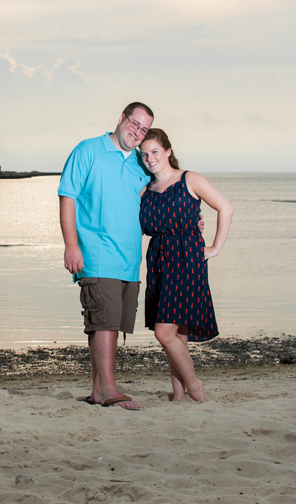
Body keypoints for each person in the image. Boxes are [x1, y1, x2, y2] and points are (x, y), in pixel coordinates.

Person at [58, 102, 154, 410]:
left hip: (130, 259)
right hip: (97, 254)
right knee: (105, 322)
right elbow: (67, 197)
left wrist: (194, 219)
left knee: (108, 322)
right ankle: (110, 389)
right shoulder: (88, 150)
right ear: (121, 119)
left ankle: (99, 391)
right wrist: (71, 245)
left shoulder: (141, 162)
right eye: (134, 124)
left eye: (143, 129)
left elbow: (156, 196)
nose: (137, 132)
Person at [138, 128, 234, 403]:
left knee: (163, 331)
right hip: (158, 260)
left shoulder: (188, 179)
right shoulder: (146, 190)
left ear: (168, 151)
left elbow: (226, 208)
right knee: (177, 332)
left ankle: (194, 386)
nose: (150, 158)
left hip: (187, 259)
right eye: (144, 154)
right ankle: (178, 394)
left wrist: (214, 248)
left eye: (155, 151)